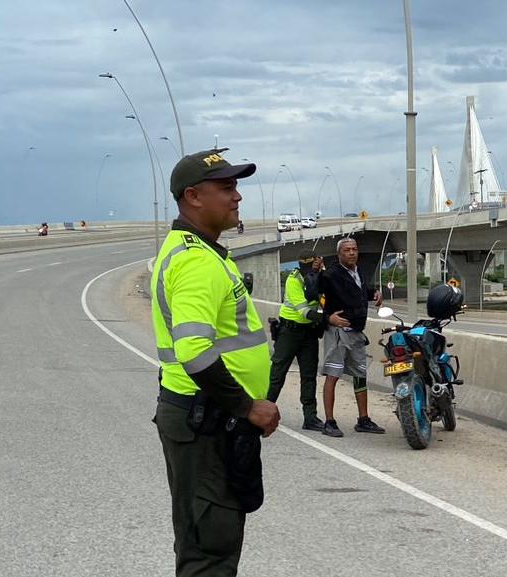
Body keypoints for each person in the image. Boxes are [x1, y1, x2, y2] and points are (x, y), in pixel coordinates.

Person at [152, 148, 281, 576]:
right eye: (226, 187)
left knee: (211, 544)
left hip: (202, 417)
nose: (237, 196)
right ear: (193, 196)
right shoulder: (195, 262)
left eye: (236, 186)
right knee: (209, 552)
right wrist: (247, 406)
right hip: (205, 421)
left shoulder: (201, 253)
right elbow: (193, 350)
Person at [317, 237, 385, 437]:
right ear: (339, 254)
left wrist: (375, 293)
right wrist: (329, 318)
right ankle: (329, 422)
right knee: (333, 375)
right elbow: (316, 299)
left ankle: (363, 419)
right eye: (347, 250)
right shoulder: (330, 275)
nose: (352, 253)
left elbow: (359, 292)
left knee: (360, 375)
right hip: (339, 333)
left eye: (354, 249)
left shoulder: (358, 271)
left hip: (356, 332)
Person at [267, 250, 325, 431]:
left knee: (309, 375)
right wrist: (327, 318)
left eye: (312, 265)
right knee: (278, 373)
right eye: (306, 266)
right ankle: (265, 412)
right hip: (289, 332)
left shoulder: (321, 276)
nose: (308, 269)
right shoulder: (294, 279)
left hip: (309, 333)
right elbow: (304, 311)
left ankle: (310, 417)